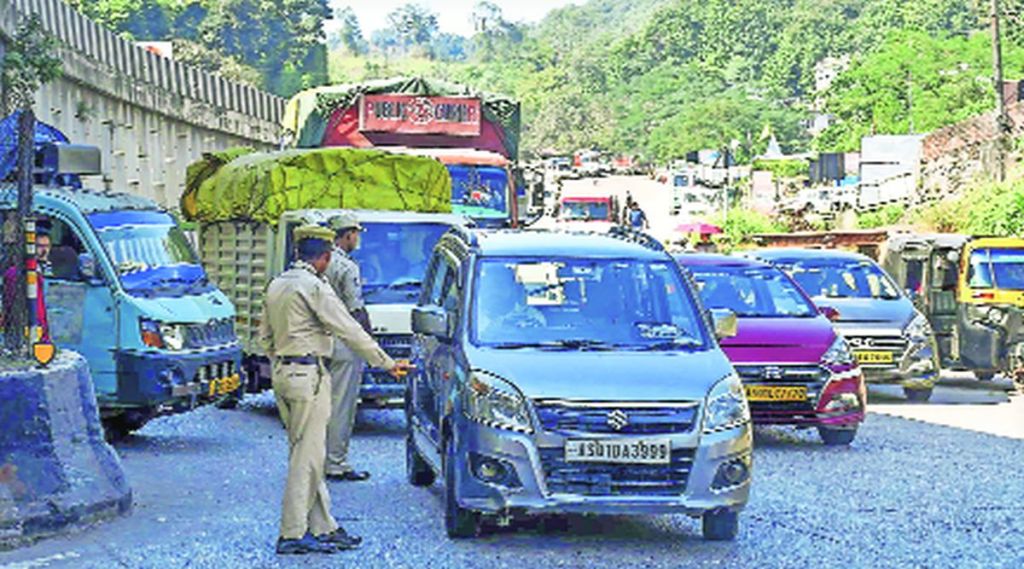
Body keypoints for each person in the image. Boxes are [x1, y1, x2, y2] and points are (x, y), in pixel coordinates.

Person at [258, 224, 410, 555]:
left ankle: (323, 526)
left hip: (284, 372)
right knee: (307, 457)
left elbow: (265, 338)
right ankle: (292, 532)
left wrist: (284, 361)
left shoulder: (277, 284)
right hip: (309, 375)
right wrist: (386, 363)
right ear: (325, 257)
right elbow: (348, 328)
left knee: (308, 453)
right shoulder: (314, 287)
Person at [324, 213, 372, 482]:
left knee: (320, 406)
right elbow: (356, 309)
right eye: (356, 233)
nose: (358, 238)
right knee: (342, 405)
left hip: (318, 341)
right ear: (348, 235)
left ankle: (317, 458)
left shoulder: (317, 262)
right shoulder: (346, 267)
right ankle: (336, 462)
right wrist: (368, 341)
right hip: (343, 342)